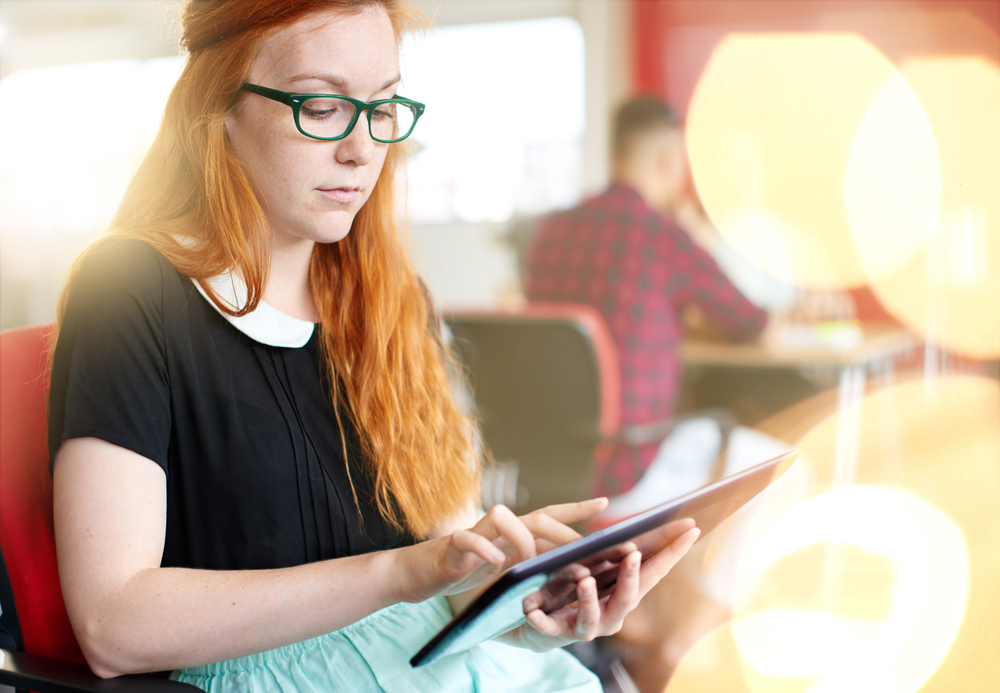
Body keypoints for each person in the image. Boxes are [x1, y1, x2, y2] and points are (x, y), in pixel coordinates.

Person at [46, 2, 701, 691]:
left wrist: (527, 602)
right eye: (323, 107)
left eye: (383, 107)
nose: (362, 148)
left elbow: (447, 583)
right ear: (220, 107)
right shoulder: (130, 288)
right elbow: (113, 626)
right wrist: (400, 573)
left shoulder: (394, 300)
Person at [524, 96, 768, 498]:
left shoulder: (550, 230)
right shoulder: (660, 234)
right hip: (629, 470)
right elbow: (754, 324)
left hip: (550, 471)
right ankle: (693, 561)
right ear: (669, 160)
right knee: (789, 469)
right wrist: (696, 235)